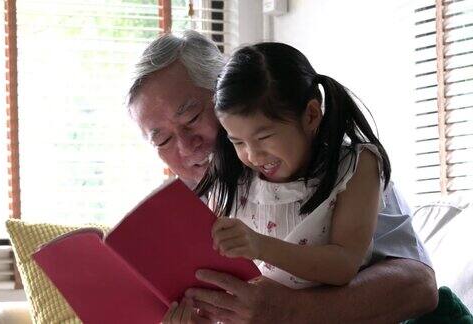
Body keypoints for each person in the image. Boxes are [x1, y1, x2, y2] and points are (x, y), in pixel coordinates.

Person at [127, 30, 438, 323]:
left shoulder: (338, 170)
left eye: (192, 118)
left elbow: (419, 286)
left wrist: (294, 311)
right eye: (162, 140)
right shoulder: (188, 208)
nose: (185, 146)